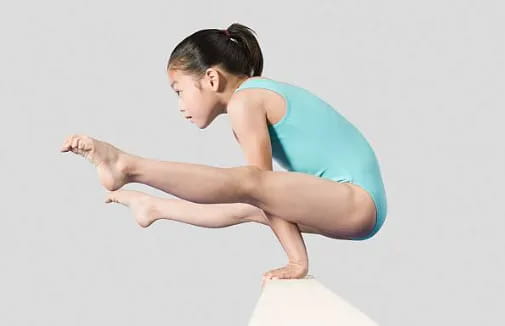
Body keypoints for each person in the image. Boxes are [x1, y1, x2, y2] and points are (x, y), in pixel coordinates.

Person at [60, 23, 387, 286]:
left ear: (211, 78)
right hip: (350, 202)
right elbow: (264, 194)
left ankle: (126, 166)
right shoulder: (252, 99)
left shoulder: (246, 101)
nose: (180, 106)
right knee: (247, 202)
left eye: (179, 91)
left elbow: (262, 187)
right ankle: (154, 207)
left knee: (252, 186)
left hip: (356, 200)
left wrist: (297, 262)